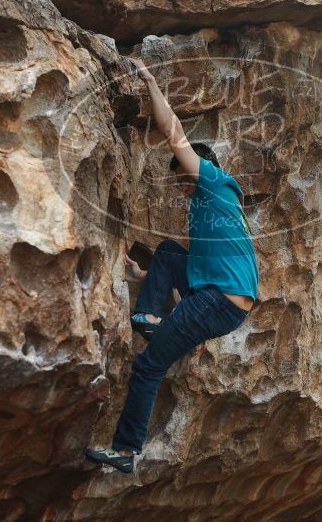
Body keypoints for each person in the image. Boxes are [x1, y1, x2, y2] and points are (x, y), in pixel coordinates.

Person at [85, 58, 259, 473]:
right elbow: (189, 275)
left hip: (219, 303)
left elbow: (174, 133)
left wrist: (149, 81)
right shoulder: (210, 214)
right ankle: (148, 312)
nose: (181, 188)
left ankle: (125, 452)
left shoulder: (214, 181)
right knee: (165, 252)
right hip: (219, 300)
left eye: (182, 178)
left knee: (148, 366)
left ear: (198, 168)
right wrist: (142, 279)